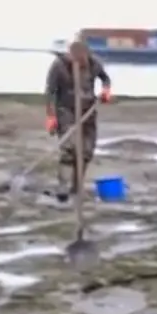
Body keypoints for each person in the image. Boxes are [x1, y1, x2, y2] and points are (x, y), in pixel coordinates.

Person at [43, 37, 113, 202]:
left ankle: (77, 187)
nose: (80, 65)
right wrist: (51, 116)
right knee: (69, 149)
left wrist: (106, 91)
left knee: (86, 151)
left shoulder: (94, 63)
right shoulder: (59, 66)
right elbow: (50, 92)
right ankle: (62, 187)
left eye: (82, 62)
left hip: (88, 110)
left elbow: (105, 79)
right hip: (66, 110)